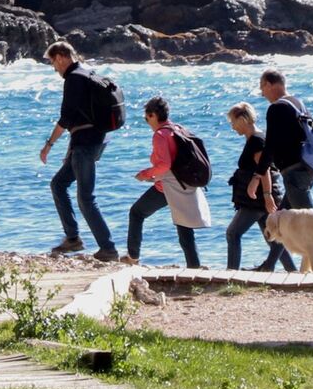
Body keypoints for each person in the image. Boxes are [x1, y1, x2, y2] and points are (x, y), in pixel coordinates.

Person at [38, 40, 118, 260]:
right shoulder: (87, 73)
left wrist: (48, 145)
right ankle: (72, 239)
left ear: (62, 57)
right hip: (93, 141)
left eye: (54, 62)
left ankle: (108, 249)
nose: (54, 68)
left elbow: (66, 118)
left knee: (85, 198)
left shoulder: (73, 79)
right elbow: (81, 117)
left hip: (85, 145)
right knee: (58, 184)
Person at [260, 68, 313, 270]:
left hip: (294, 173)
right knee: (280, 218)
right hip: (308, 169)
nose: (263, 94)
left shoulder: (276, 109)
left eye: (262, 89)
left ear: (269, 84)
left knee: (312, 222)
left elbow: (271, 143)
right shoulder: (297, 103)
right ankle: (269, 265)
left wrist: (259, 172)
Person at [123, 96, 210, 266]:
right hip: (184, 184)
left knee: (136, 213)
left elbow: (165, 164)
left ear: (153, 115)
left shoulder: (160, 135)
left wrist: (145, 174)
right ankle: (194, 267)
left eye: (146, 117)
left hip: (168, 187)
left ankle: (132, 258)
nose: (147, 122)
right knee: (184, 228)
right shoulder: (178, 129)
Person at [224, 101, 294, 272]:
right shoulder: (257, 138)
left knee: (233, 233)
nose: (232, 127)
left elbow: (265, 170)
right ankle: (292, 272)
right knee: (273, 237)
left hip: (257, 199)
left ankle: (231, 273)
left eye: (233, 122)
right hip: (260, 197)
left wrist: (268, 195)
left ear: (243, 119)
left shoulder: (257, 140)